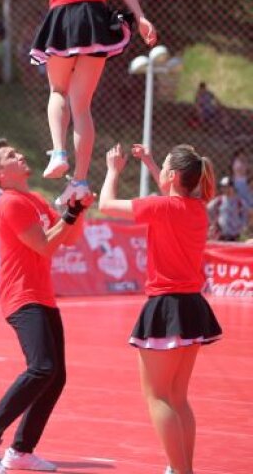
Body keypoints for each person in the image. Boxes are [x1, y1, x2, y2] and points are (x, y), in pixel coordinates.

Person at [29, 0, 156, 205]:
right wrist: (140, 17)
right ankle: (81, 181)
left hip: (62, 18)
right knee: (81, 105)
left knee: (58, 91)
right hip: (94, 22)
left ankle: (58, 153)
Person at [0, 138, 88, 474]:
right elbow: (45, 247)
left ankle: (21, 450)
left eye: (16, 151)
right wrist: (70, 213)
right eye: (10, 156)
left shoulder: (33, 200)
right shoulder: (9, 203)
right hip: (22, 296)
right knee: (42, 368)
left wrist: (79, 207)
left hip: (43, 294)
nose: (19, 155)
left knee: (56, 376)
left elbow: (71, 238)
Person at [98, 143, 222, 474]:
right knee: (178, 397)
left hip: (166, 306)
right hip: (193, 307)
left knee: (158, 398)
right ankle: (183, 468)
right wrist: (152, 162)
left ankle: (181, 471)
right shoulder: (197, 208)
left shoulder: (164, 207)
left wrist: (112, 170)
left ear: (171, 176)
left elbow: (106, 205)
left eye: (164, 167)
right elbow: (170, 193)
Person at [209, 176, 249, 242]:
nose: (225, 189)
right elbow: (208, 209)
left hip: (235, 235)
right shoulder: (219, 200)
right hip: (222, 234)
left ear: (232, 187)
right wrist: (213, 222)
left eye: (227, 187)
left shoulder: (239, 202)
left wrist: (242, 225)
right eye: (223, 187)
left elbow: (247, 214)